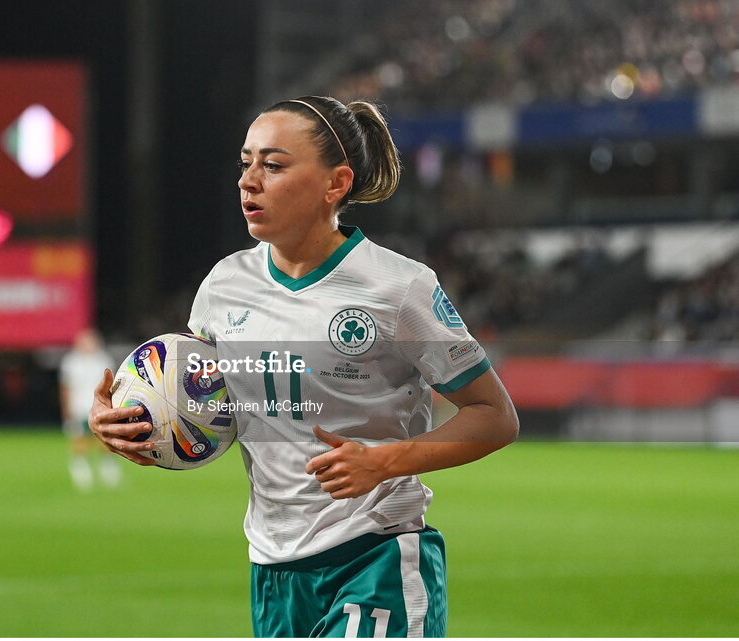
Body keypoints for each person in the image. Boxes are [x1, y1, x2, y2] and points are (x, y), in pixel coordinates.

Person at [89, 95, 518, 637]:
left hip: (376, 556)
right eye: (244, 162)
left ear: (334, 185)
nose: (248, 180)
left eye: (272, 164)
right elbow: (202, 406)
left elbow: (494, 414)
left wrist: (385, 462)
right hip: (273, 570)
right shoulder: (224, 286)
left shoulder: (397, 288)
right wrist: (135, 427)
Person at [60, 328, 120, 491]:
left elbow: (111, 385)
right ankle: (81, 472)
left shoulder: (103, 360)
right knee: (80, 441)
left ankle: (108, 470)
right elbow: (66, 387)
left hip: (99, 408)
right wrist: (66, 408)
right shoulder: (71, 362)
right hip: (78, 407)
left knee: (104, 440)